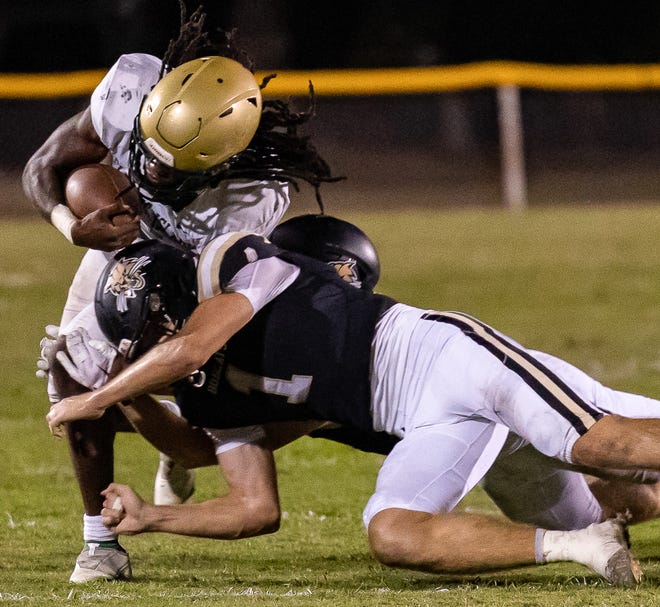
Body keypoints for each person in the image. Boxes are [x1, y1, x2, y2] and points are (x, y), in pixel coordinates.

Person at [46, 220, 660, 586]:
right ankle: (584, 547)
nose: (158, 350)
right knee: (392, 533)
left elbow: (190, 347)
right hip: (426, 423)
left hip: (446, 360)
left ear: (173, 303)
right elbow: (249, 503)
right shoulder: (206, 387)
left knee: (606, 447)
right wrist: (145, 494)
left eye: (153, 335)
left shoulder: (235, 262)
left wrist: (94, 394)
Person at [24, 1, 338, 583]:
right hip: (125, 242)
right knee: (70, 367)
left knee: (173, 395)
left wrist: (151, 354)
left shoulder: (254, 194)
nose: (149, 174)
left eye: (173, 172)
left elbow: (212, 300)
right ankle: (102, 544)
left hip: (199, 271)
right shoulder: (132, 86)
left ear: (222, 165)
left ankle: (178, 439)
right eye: (147, 154)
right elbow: (44, 165)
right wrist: (73, 226)